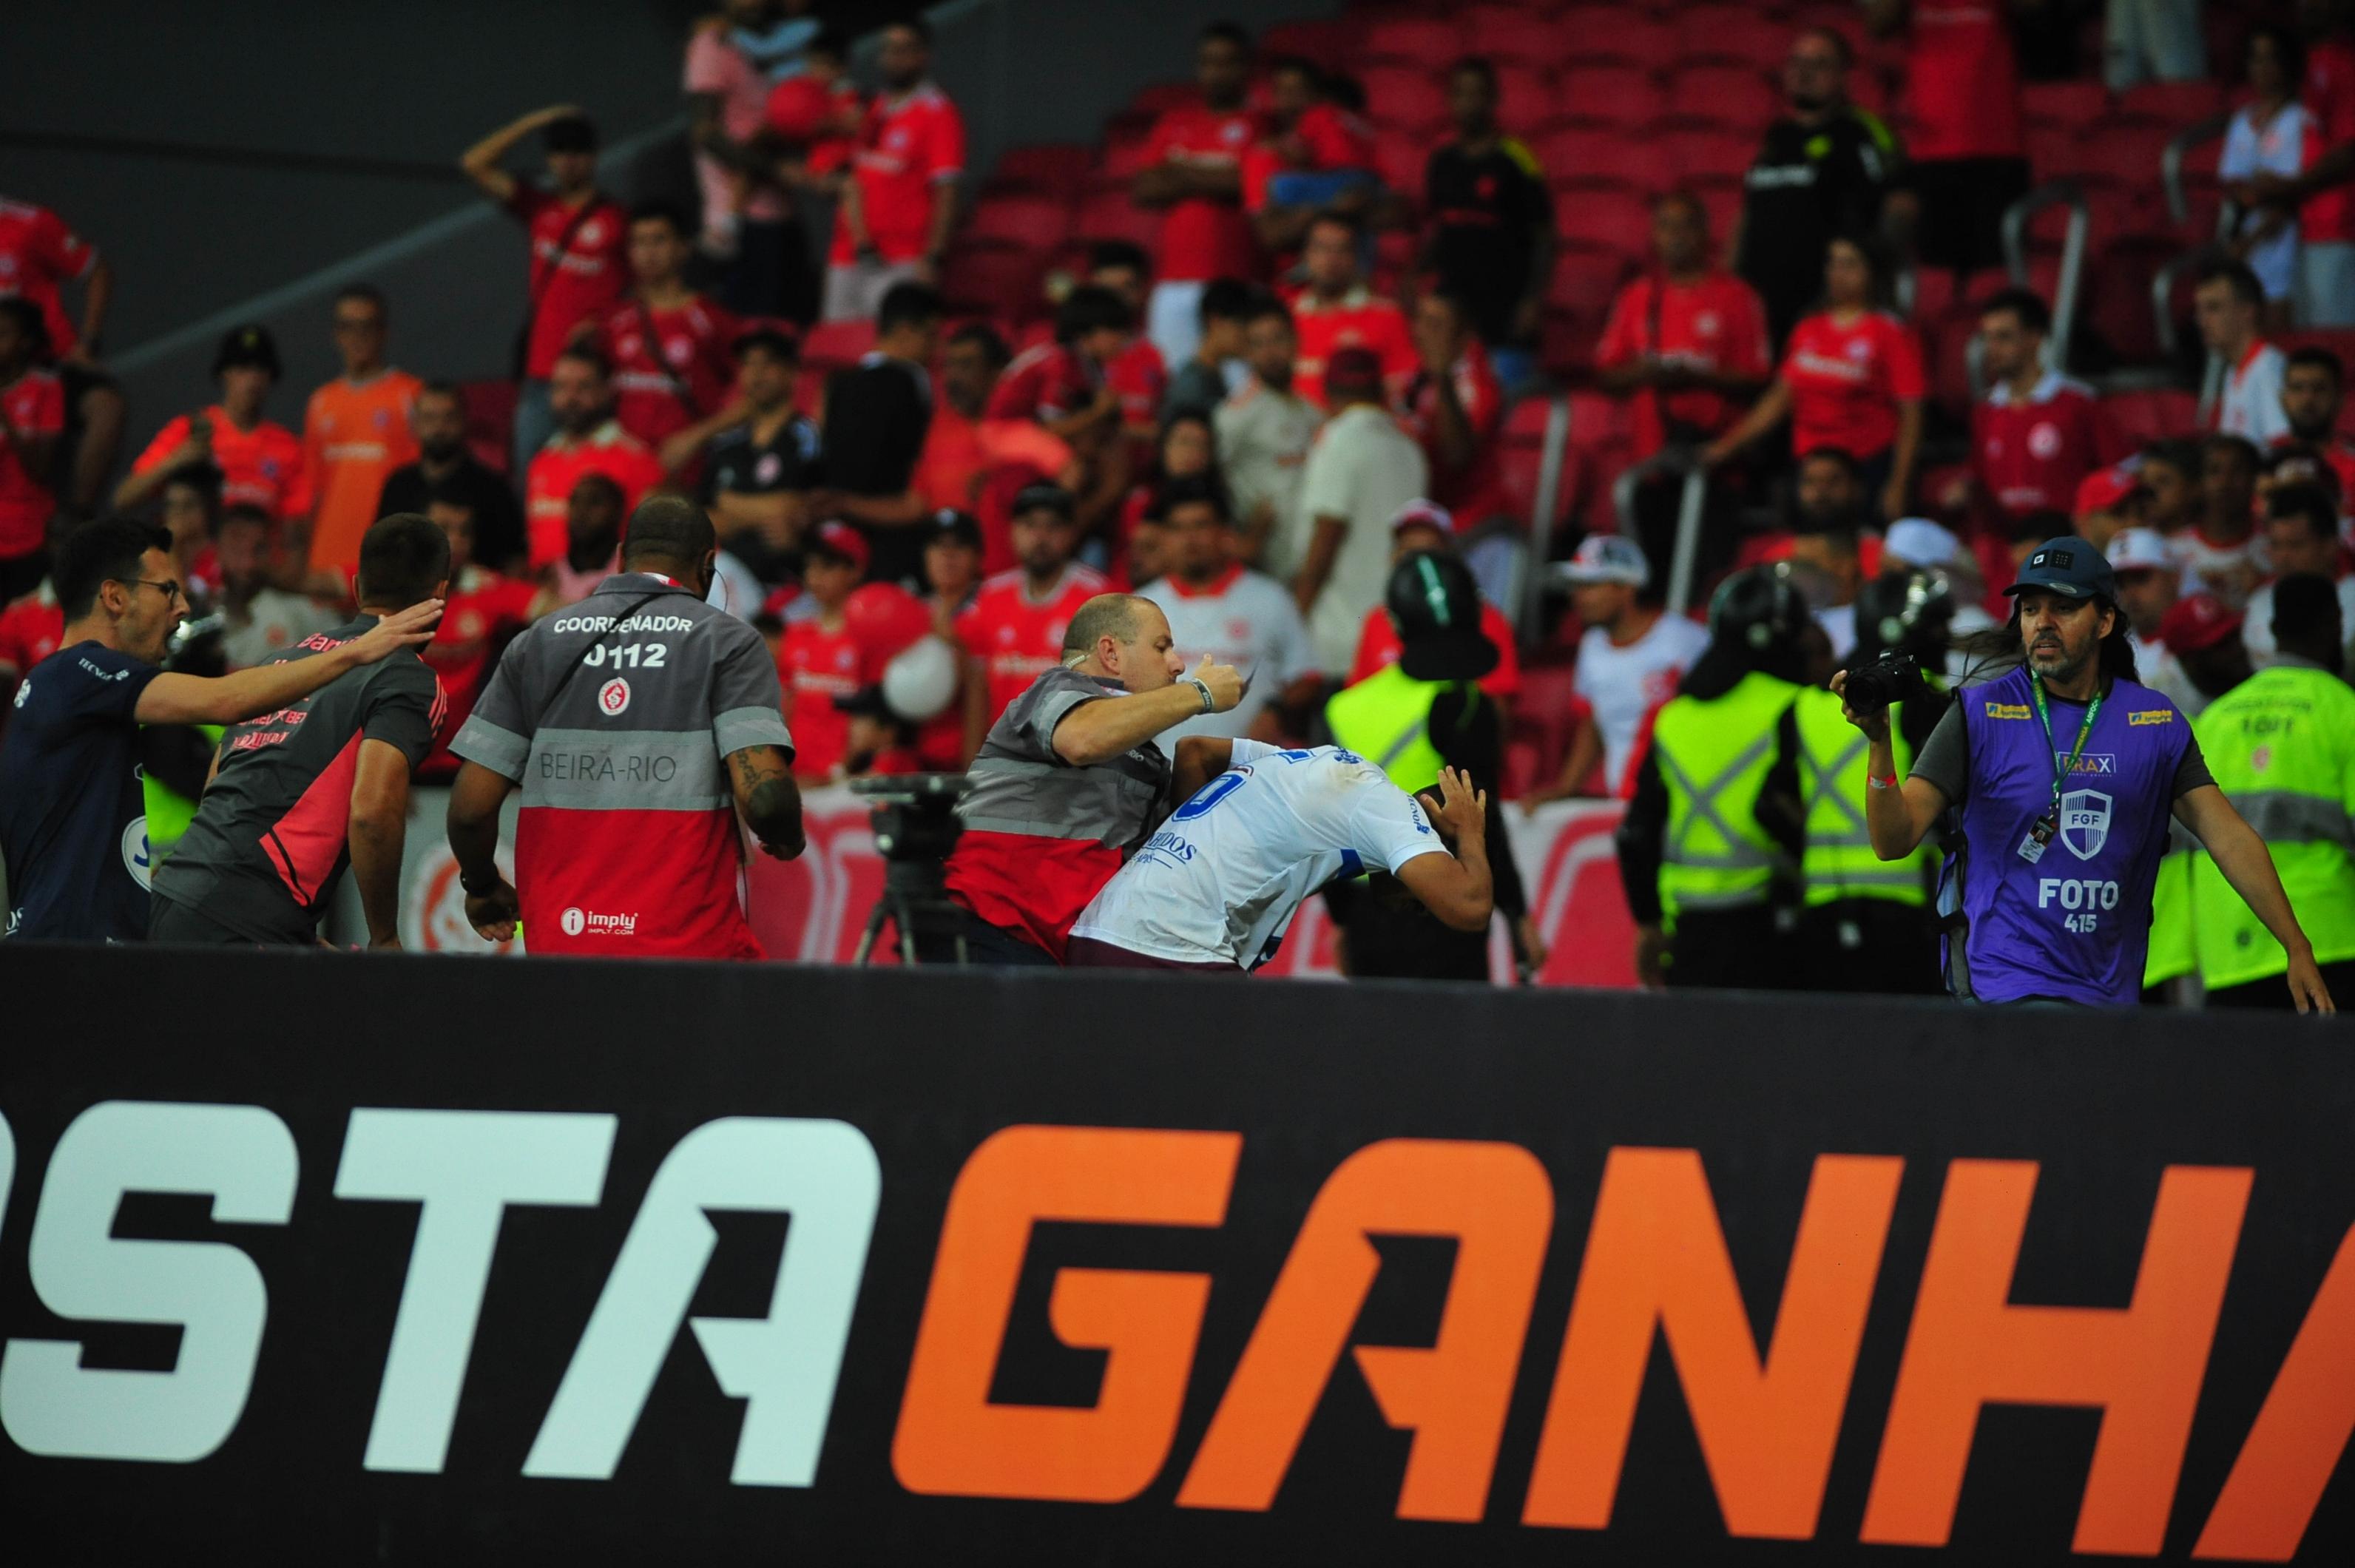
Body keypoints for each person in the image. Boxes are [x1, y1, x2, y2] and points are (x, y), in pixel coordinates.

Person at [1842, 535, 2334, 1009]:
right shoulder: (1979, 714)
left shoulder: (2154, 723)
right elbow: (1893, 839)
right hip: (2005, 984)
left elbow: (2229, 837)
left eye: (2064, 607)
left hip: (2108, 993)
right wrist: (1880, 745)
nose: (2042, 623)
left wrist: (2296, 946)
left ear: (2104, 622)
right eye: (2031, 609)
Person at [0, 516, 439, 942]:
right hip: (66, 949)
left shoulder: (78, 691)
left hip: (108, 940)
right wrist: (357, 652)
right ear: (114, 598)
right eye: (167, 590)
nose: (183, 608)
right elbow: (226, 701)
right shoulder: (76, 673)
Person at [445, 495, 802, 959]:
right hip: (687, 951)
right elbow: (767, 798)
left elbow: (470, 810)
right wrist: (787, 835)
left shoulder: (538, 642)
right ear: (709, 566)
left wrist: (482, 885)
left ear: (620, 559)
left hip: (562, 943)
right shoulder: (726, 641)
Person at [146, 514, 450, 947]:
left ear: (358, 588)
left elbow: (218, 782)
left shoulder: (281, 664)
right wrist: (383, 937)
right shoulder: (409, 678)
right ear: (441, 591)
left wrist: (293, 933)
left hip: (172, 896)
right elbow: (371, 814)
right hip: (245, 920)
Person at [931, 592, 1246, 964]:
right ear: (1110, 653)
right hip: (986, 926)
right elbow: (1083, 740)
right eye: (1162, 648)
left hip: (1060, 956)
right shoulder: (1053, 690)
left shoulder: (1147, 761)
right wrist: (1200, 693)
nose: (1177, 665)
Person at [1068, 751, 1494, 970]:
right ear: (1430, 836)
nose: (1418, 905)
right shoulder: (1396, 813)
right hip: (1169, 947)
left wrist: (1181, 859)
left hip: (1102, 929)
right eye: (1424, 895)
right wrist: (1471, 832)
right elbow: (1470, 908)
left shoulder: (1315, 764)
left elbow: (1197, 751)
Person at [1324, 550, 1539, 979]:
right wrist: (1517, 916)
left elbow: (1326, 819)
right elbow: (1483, 815)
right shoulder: (1462, 702)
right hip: (1445, 901)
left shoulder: (1344, 708)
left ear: (1397, 623)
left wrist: (1344, 920)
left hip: (1369, 909)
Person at [1617, 567, 1809, 989]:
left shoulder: (1674, 716)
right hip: (1775, 922)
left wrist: (1648, 922)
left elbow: (1636, 832)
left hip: (1687, 925)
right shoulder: (1798, 705)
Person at [1783, 568, 1952, 991]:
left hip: (1824, 903)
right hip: (1910, 904)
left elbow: (1771, 802)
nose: (1944, 637)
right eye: (1938, 626)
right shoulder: (1931, 697)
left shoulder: (1803, 704)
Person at [2192, 572, 2355, 1004]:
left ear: (2276, 630)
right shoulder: (2343, 710)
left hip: (2228, 953)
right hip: (2328, 942)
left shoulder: (2215, 719)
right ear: (2335, 624)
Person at [1704, 235, 1925, 522]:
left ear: (1873, 273)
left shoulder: (1891, 332)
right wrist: (1727, 446)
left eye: (1850, 265)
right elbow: (1780, 398)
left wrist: (1899, 483)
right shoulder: (1809, 328)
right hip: (1808, 468)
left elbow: (1912, 415)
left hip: (1864, 467)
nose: (1838, 273)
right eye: (1832, 263)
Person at [460, 107, 630, 476]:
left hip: (596, 377)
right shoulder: (539, 207)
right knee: (531, 481)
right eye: (558, 152)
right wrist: (534, 120)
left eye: (577, 152)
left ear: (593, 156)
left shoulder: (616, 219)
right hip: (541, 375)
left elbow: (639, 293)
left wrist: (602, 328)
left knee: (598, 478)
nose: (568, 161)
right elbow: (474, 163)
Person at [1733, 27, 1902, 348]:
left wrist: (1859, 288)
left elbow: (1896, 210)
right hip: (1761, 304)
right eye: (1796, 63)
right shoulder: (1776, 137)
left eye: (1819, 64)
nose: (1803, 73)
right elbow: (1748, 213)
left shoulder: (1861, 134)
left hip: (1823, 305)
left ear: (1843, 75)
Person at [1527, 534, 1709, 807]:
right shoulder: (1592, 646)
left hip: (1681, 800)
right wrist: (1567, 787)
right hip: (1623, 804)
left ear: (1626, 588)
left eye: (1590, 585)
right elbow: (1591, 723)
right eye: (1575, 586)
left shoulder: (1687, 641)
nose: (1578, 597)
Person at [1138, 475, 1320, 746]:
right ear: (1163, 537)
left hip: (1250, 773)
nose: (1190, 539)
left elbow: (1307, 677)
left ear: (1225, 532)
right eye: (1178, 528)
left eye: (1201, 525)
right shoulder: (1142, 606)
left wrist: (1277, 712)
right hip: (1161, 775)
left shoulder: (1269, 598)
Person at [1595, 193, 1772, 464]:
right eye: (1666, 226)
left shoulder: (1739, 297)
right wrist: (1646, 372)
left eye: (1686, 226)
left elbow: (1757, 378)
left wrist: (1697, 375)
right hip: (1650, 451)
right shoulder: (1636, 296)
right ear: (1654, 236)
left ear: (1705, 232)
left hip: (1717, 450)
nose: (1676, 236)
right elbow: (1606, 375)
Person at [1865, 0, 2027, 283]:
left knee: (1993, 279)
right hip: (1930, 151)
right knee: (1937, 282)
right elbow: (1878, 21)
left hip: (1997, 147)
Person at [1133, 22, 1262, 371]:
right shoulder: (1174, 121)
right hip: (1174, 281)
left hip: (1236, 277)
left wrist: (1181, 171)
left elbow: (1247, 183)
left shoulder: (1261, 122)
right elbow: (1145, 189)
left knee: (1238, 383)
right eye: (1209, 62)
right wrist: (1214, 174)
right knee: (1177, 381)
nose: (1217, 72)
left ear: (1246, 67)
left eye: (1228, 62)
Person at [1422, 56, 1555, 390]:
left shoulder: (1517, 158)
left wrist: (1532, 300)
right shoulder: (1441, 162)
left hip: (1506, 306)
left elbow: (1545, 236)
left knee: (1504, 406)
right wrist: (1416, 273)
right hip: (1456, 307)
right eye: (1460, 94)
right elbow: (1441, 228)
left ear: (1493, 100)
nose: (1469, 104)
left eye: (1477, 94)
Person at [1293, 347, 1427, 677]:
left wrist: (1296, 616)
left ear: (1326, 393)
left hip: (1339, 638)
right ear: (1381, 392)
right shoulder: (1410, 449)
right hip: (1396, 631)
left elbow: (1327, 534)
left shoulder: (1338, 440)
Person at [683, 0, 820, 319]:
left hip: (783, 210)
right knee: (756, 330)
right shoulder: (712, 45)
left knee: (797, 324)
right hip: (741, 219)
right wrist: (774, 168)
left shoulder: (772, 42)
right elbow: (706, 134)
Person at [823, 18, 963, 322]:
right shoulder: (872, 108)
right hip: (848, 253)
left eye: (904, 50)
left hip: (902, 257)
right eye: (888, 49)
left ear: (924, 55)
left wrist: (933, 257)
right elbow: (849, 176)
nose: (893, 57)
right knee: (837, 348)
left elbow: (947, 190)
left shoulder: (937, 112)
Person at [1948, 288, 2115, 533]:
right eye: (1987, 338)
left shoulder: (2078, 402)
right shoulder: (1985, 412)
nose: (1991, 348)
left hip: (2065, 545)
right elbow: (1976, 475)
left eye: (2003, 337)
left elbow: (2118, 471)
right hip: (2006, 549)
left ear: (2035, 338)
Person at [581, 202, 740, 456]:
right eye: (639, 243)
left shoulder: (710, 319)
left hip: (689, 472)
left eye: (658, 240)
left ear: (683, 248)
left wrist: (697, 437)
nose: (648, 252)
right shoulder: (614, 321)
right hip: (628, 469)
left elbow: (753, 396)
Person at [0, 193, 121, 518]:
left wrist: (88, 343)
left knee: (106, 407)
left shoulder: (29, 223)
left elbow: (97, 270)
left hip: (48, 361)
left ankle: (76, 517)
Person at [813, 280, 942, 587]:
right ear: (907, 331)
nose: (937, 350)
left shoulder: (834, 384)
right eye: (932, 336)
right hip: (892, 530)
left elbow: (818, 440)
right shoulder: (913, 378)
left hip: (835, 530)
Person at [118, 325, 311, 525]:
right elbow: (123, 498)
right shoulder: (191, 429)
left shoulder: (288, 446)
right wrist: (177, 460)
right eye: (242, 368)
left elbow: (297, 525)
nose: (253, 378)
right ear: (223, 374)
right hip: (196, 551)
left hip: (256, 552)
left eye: (261, 369)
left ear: (271, 377)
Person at [958, 481, 1108, 725]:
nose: (1040, 537)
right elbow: (977, 693)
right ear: (1012, 531)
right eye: (1030, 525)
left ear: (1071, 533)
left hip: (1070, 757)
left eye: (1053, 526)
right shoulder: (989, 596)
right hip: (1004, 756)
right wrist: (974, 762)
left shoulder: (1097, 598)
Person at [300, 285, 422, 583]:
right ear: (336, 334)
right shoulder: (321, 402)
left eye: (367, 326)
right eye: (347, 327)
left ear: (384, 331)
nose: (358, 336)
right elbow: (311, 492)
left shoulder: (410, 395)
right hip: (327, 560)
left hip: (384, 559)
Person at [1402, 290, 1516, 606]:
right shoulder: (1418, 372)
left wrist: (1442, 377)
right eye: (1421, 320)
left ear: (1463, 335)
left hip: (1478, 531)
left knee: (1477, 629)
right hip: (1440, 522)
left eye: (1436, 324)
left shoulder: (1476, 381)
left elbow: (1457, 455)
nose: (1423, 331)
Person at [1348, 502, 1524, 706]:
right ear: (1393, 558)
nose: (1421, 563)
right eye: (1409, 551)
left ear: (1451, 557)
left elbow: (1496, 712)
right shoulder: (1376, 620)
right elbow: (1357, 702)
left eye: (1430, 551)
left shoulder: (1488, 621)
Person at [417, 484, 535, 780]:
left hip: (466, 761)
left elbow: (556, 608)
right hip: (405, 761)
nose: (455, 541)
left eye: (464, 532)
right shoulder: (393, 589)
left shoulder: (489, 589)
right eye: (445, 529)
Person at [694, 322, 821, 587]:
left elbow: (797, 506)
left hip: (785, 581)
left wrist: (729, 504)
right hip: (722, 579)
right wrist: (763, 514)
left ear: (793, 373)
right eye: (748, 365)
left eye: (767, 364)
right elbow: (703, 518)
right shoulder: (726, 444)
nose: (757, 374)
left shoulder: (807, 437)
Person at [521, 346, 666, 570]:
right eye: (561, 387)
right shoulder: (542, 461)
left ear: (605, 390)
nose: (571, 398)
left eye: (583, 387)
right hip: (550, 596)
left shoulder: (636, 459)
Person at [376, 382, 527, 575]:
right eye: (429, 418)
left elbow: (515, 560)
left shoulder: (492, 489)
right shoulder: (397, 486)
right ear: (414, 425)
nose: (439, 428)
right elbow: (380, 554)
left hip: (478, 598)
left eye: (449, 418)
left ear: (464, 421)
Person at [2221, 27, 2316, 331]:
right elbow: (2234, 184)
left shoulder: (2299, 119)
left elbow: (2289, 192)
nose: (2262, 69)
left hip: (2284, 245)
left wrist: (2252, 238)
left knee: (2278, 332)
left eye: (2270, 59)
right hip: (2246, 242)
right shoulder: (2242, 120)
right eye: (2255, 59)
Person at [1217, 293, 1320, 571]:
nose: (1270, 353)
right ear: (1246, 352)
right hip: (1267, 562)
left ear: (1295, 341)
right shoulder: (1234, 416)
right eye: (1258, 344)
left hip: (1310, 556)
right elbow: (1213, 481)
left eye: (1278, 340)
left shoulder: (1312, 412)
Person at [1288, 210, 1415, 410]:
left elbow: (1405, 386)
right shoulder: (1286, 317)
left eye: (1342, 250)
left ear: (1356, 257)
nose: (1331, 259)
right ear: (1306, 255)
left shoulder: (1387, 316)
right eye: (1322, 248)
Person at [772, 519, 865, 783]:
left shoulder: (865, 640)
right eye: (811, 565)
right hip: (797, 778)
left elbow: (870, 725)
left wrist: (839, 773)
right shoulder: (795, 634)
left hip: (846, 783)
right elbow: (785, 707)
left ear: (855, 570)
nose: (815, 575)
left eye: (828, 566)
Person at [212, 502, 339, 670]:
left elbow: (343, 657)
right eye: (237, 550)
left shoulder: (301, 608)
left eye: (258, 550)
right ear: (218, 547)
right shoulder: (198, 610)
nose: (247, 564)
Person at [0, 298, 65, 603]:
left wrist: (5, 418)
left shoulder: (45, 389)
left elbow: (40, 467)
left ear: (25, 342)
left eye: (3, 334)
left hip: (30, 537)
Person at [2247, 482, 2355, 665]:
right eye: (2276, 545)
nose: (2283, 557)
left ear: (2331, 545)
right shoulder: (2259, 603)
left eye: (2296, 545)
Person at [2107, 526, 2202, 713]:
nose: (2130, 593)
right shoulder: (2109, 652)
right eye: (2121, 583)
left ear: (2174, 578)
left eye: (2141, 578)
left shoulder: (2205, 638)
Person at [2198, 258, 2292, 446]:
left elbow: (2282, 444)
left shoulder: (2268, 368)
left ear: (2247, 311)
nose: (2202, 321)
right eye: (2199, 310)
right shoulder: (2234, 369)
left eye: (2213, 308)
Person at [2177, 433, 2263, 610]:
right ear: (2199, 482)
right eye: (2214, 471)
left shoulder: (2277, 544)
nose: (2225, 482)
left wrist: (2263, 589)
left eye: (2237, 470)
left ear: (2254, 479)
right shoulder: (2174, 551)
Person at [528, 473, 629, 618]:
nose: (581, 511)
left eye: (594, 502)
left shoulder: (627, 573)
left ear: (618, 511)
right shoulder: (546, 577)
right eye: (575, 501)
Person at [1163, 279, 1256, 422]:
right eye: (1242, 326)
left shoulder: (1212, 375)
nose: (1249, 336)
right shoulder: (1192, 386)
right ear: (1216, 321)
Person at [2277, 346, 2355, 501]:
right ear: (2283, 399)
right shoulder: (2264, 458)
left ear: (2340, 399)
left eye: (2319, 389)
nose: (2308, 399)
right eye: (2297, 388)